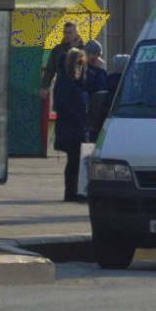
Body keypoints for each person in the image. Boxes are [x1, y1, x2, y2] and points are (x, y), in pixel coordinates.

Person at [53, 48, 90, 202]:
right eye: (79, 64)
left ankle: (74, 190)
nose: (81, 67)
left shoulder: (75, 81)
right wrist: (78, 118)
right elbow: (63, 105)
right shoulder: (64, 82)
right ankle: (70, 191)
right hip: (70, 128)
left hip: (76, 127)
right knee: (73, 160)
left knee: (76, 160)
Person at [40, 21, 84, 99]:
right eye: (65, 32)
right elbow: (50, 70)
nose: (66, 35)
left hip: (78, 88)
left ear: (76, 33)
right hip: (61, 88)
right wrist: (44, 86)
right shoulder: (58, 49)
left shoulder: (82, 50)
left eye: (69, 32)